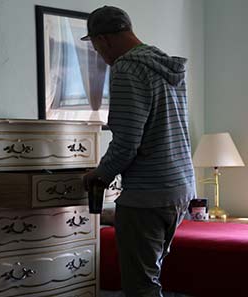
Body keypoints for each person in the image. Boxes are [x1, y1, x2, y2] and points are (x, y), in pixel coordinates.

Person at [81, 6, 196, 297]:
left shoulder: (127, 68)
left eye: (96, 46)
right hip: (179, 187)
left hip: (148, 193)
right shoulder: (166, 66)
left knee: (139, 286)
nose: (100, 55)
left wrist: (100, 175)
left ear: (103, 39)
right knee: (151, 275)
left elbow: (126, 141)